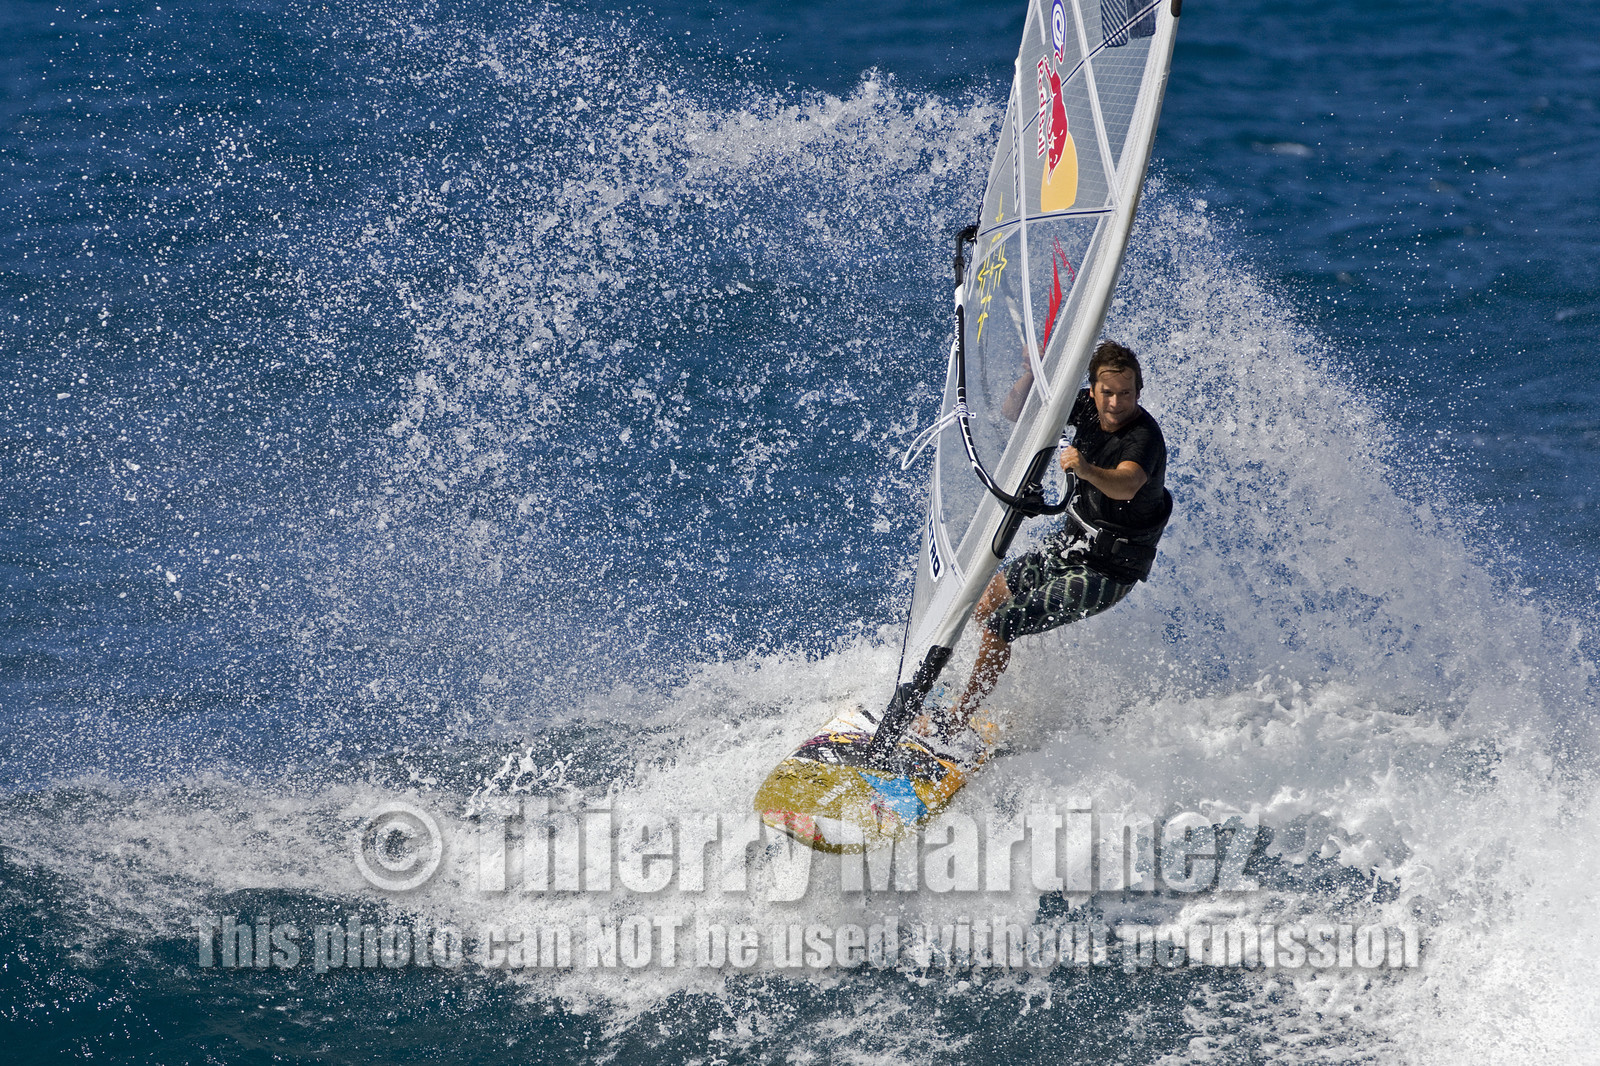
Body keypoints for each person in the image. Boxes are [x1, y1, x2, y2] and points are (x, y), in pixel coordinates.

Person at [935, 339, 1171, 740]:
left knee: (1002, 623)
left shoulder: (1143, 436)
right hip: (1071, 546)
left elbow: (1128, 484)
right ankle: (986, 682)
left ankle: (956, 720)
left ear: (1138, 391)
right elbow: (1015, 414)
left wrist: (1086, 467)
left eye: (1126, 394)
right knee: (987, 598)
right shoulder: (1086, 408)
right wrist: (1032, 372)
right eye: (1107, 393)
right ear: (1093, 390)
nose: (1116, 404)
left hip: (1109, 569)